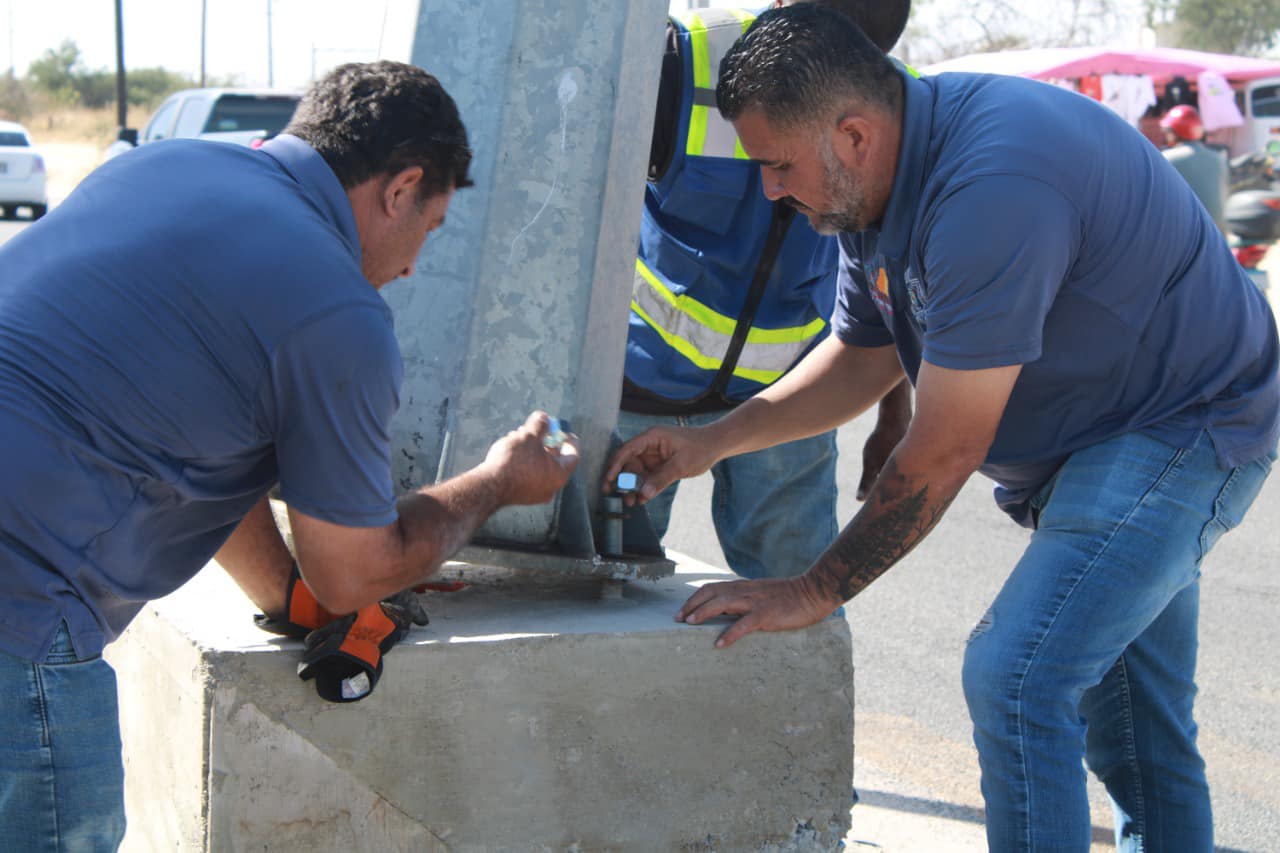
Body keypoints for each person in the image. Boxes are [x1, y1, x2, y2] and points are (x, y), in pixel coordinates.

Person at [606, 7, 1278, 850]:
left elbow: (946, 448)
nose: (768, 189)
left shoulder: (992, 187)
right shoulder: (869, 186)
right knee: (1135, 732)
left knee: (1017, 678)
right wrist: (711, 441)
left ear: (852, 134)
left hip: (1180, 427)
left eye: (777, 166)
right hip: (1101, 435)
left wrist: (811, 589)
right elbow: (859, 358)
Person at [0, 61, 578, 849]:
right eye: (429, 229)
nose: (412, 266)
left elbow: (192, 443)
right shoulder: (336, 312)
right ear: (402, 187)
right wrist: (499, 481)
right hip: (19, 605)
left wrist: (289, 598)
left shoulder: (164, 166)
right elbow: (354, 569)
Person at [617, 0, 912, 580]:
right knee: (603, 590)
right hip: (635, 391)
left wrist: (893, 409)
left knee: (796, 598)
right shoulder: (682, 61)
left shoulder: (891, 103)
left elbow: (890, 271)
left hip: (787, 406)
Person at [1159, 104, 1230, 234]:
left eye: (1168, 132)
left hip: (1184, 237)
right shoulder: (1218, 158)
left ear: (1175, 132)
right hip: (1217, 235)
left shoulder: (1167, 159)